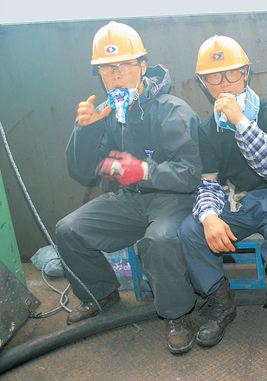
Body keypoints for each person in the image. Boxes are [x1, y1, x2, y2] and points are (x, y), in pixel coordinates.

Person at [56, 21, 202, 354]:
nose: (116, 75)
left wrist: (144, 171)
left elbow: (190, 173)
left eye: (123, 66)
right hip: (129, 200)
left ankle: (177, 315)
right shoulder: (105, 114)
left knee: (159, 239)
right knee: (68, 229)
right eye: (107, 69)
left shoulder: (173, 111)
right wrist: (86, 130)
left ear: (142, 66)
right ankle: (100, 293)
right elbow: (80, 170)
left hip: (172, 199)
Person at [176, 36, 267, 361]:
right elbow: (208, 183)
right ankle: (220, 301)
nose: (224, 83)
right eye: (214, 77)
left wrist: (240, 121)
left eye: (231, 73)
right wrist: (208, 216)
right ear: (204, 84)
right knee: (190, 229)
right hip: (235, 202)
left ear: (245, 72)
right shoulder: (206, 131)